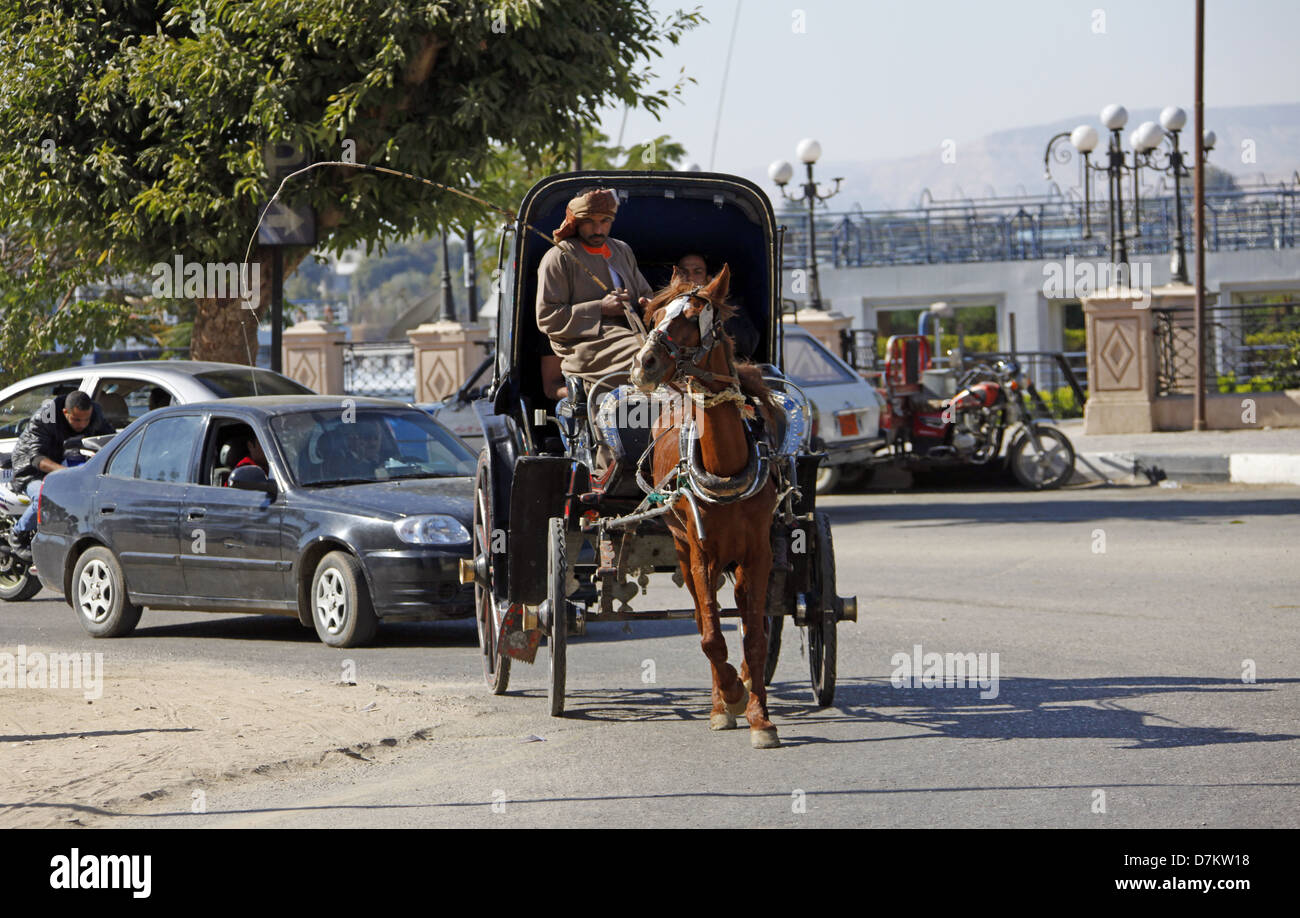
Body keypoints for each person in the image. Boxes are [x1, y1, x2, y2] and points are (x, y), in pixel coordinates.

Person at [536, 187, 653, 399]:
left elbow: (645, 294)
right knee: (648, 361)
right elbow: (547, 318)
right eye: (590, 222)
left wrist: (646, 304)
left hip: (635, 334)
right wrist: (600, 308)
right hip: (585, 345)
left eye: (605, 221)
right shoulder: (559, 257)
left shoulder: (622, 250)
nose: (598, 229)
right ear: (577, 221)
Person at [5, 390, 113, 559]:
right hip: (32, 469)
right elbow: (36, 458)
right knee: (46, 497)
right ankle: (18, 534)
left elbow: (110, 441)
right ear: (65, 412)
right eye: (76, 420)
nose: (82, 424)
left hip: (67, 466)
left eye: (86, 419)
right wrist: (69, 473)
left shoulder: (96, 414)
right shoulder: (46, 416)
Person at [676, 253, 761, 360]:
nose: (690, 277)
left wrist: (716, 309)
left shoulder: (729, 307)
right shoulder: (666, 308)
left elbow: (748, 345)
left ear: (708, 279)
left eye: (697, 272)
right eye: (683, 272)